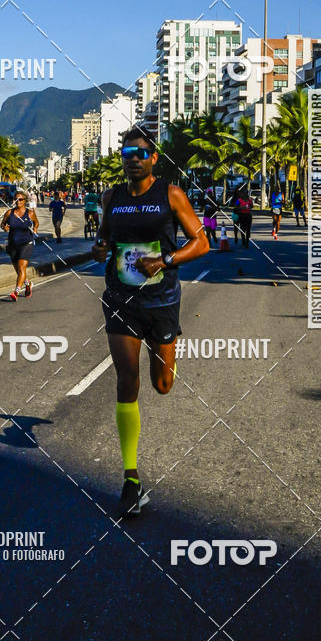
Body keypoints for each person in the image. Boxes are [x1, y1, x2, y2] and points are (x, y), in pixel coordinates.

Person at [91, 126, 210, 517]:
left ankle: (168, 351)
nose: (133, 158)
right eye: (127, 152)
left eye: (140, 153)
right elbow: (105, 239)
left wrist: (165, 260)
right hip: (121, 298)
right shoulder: (113, 197)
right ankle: (130, 478)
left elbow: (201, 241)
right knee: (127, 379)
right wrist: (101, 247)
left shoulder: (170, 194)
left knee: (162, 385)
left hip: (161, 300)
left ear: (153, 158)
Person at [1, 191, 39, 301]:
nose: (18, 201)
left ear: (25, 201)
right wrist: (4, 227)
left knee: (22, 267)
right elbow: (2, 224)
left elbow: (36, 222)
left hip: (27, 243)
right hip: (12, 244)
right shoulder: (9, 213)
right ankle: (28, 283)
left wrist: (35, 228)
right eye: (16, 199)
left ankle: (16, 291)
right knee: (18, 269)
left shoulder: (30, 213)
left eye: (20, 199)